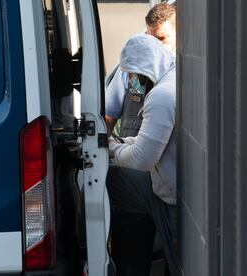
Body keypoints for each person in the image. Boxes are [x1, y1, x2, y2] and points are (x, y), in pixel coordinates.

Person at [107, 34, 177, 276]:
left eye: (135, 74)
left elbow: (141, 159)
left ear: (147, 66)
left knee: (109, 178)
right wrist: (122, 143)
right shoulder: (173, 79)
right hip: (173, 189)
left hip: (170, 198)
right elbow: (150, 141)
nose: (134, 81)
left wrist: (111, 150)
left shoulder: (160, 96)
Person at [105, 3, 176, 135]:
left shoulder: (181, 71)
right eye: (150, 38)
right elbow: (109, 116)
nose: (154, 45)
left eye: (161, 38)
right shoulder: (130, 67)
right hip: (128, 150)